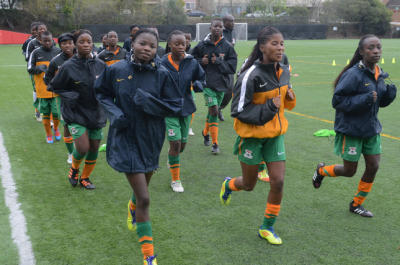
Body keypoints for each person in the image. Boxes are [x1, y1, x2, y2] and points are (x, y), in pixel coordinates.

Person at [95, 28, 182, 265]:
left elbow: (176, 106)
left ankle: (132, 205)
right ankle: (148, 256)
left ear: (157, 50)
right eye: (142, 44)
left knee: (143, 186)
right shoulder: (116, 70)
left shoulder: (163, 74)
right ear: (132, 44)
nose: (147, 49)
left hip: (151, 138)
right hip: (124, 138)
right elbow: (101, 93)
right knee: (145, 198)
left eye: (152, 46)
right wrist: (115, 113)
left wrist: (150, 102)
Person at [220, 26, 296, 245]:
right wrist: (270, 108)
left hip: (275, 135)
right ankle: (229, 184)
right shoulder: (249, 76)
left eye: (282, 43)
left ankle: (267, 227)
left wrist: (288, 95)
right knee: (249, 184)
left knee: (278, 181)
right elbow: (238, 111)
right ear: (262, 47)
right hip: (252, 137)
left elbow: (284, 96)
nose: (280, 47)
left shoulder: (284, 69)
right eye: (274, 43)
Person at [312, 34, 397, 217]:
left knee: (373, 166)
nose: (376, 51)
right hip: (351, 130)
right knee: (350, 171)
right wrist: (364, 99)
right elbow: (338, 101)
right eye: (371, 48)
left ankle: (356, 204)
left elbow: (377, 102)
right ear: (361, 51)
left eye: (378, 47)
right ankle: (321, 170)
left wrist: (388, 96)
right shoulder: (353, 74)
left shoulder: (379, 73)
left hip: (371, 129)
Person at [50, 29, 107, 190]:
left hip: (96, 113)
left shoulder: (100, 65)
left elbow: (107, 87)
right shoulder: (68, 67)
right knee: (83, 147)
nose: (86, 44)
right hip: (75, 113)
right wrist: (70, 94)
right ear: (75, 44)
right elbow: (53, 86)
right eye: (82, 42)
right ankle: (74, 170)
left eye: (89, 41)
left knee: (94, 147)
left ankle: (85, 178)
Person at [161, 30, 205, 192]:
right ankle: (175, 180)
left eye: (184, 43)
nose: (181, 46)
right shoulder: (162, 63)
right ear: (170, 45)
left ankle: (172, 156)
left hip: (186, 108)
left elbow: (201, 77)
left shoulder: (192, 62)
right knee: (175, 142)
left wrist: (200, 84)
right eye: (177, 44)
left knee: (182, 146)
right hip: (169, 109)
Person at [191, 18, 237, 154]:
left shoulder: (228, 47)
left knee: (212, 112)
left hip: (221, 85)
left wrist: (218, 62)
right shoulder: (202, 45)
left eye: (220, 26)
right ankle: (215, 144)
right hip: (207, 84)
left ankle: (205, 132)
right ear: (210, 28)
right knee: (214, 111)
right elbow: (191, 60)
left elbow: (232, 67)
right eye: (215, 26)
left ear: (223, 29)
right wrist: (201, 61)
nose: (217, 28)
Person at [44, 33, 75, 163]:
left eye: (69, 42)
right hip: (64, 98)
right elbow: (47, 79)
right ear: (60, 45)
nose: (67, 45)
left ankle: (82, 149)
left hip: (83, 98)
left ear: (74, 43)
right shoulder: (56, 61)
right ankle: (71, 154)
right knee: (67, 125)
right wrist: (57, 89)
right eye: (64, 43)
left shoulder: (82, 57)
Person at [27, 31, 61, 143]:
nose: (47, 43)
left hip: (56, 89)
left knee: (56, 113)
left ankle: (55, 129)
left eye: (49, 40)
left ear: (52, 40)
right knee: (46, 113)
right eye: (44, 41)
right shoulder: (35, 53)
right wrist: (38, 68)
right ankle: (48, 134)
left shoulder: (58, 51)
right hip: (42, 88)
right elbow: (29, 69)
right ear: (40, 41)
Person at [25, 22, 48, 121]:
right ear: (37, 31)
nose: (42, 30)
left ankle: (49, 113)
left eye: (44, 28)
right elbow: (27, 57)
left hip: (48, 71)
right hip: (35, 71)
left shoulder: (50, 41)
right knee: (37, 90)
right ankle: (37, 112)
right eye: (40, 29)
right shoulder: (32, 43)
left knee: (49, 90)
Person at [218, 14, 236, 122]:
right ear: (225, 23)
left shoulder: (232, 33)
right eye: (231, 21)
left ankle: (219, 108)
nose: (233, 23)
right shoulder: (219, 33)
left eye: (233, 21)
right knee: (218, 90)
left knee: (230, 91)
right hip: (219, 67)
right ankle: (214, 108)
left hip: (229, 66)